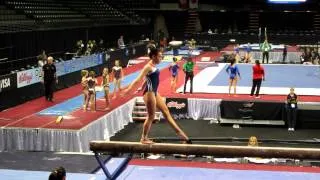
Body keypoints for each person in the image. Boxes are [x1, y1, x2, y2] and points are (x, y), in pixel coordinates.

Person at [121, 48, 190, 144]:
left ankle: (182, 136)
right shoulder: (147, 67)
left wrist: (141, 87)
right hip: (149, 93)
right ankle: (143, 138)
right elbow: (138, 79)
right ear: (153, 56)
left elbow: (147, 79)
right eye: (160, 56)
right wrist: (128, 90)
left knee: (166, 112)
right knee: (151, 116)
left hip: (154, 91)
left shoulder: (153, 66)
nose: (161, 58)